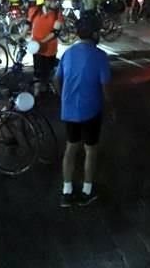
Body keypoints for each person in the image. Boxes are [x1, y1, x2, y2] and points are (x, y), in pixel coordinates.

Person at [54, 15, 111, 207]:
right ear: (95, 34)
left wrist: (63, 96)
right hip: (91, 110)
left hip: (69, 110)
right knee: (90, 150)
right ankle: (87, 190)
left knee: (70, 148)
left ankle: (67, 190)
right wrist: (112, 108)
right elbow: (106, 87)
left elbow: (56, 79)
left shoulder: (68, 53)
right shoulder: (100, 56)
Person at [31, 0, 63, 94]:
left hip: (50, 49)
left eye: (56, 1)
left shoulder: (58, 14)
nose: (56, 4)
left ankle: (54, 92)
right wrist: (22, 35)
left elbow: (55, 32)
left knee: (49, 71)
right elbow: (28, 23)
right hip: (36, 48)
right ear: (47, 1)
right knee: (37, 72)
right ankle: (36, 94)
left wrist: (41, 42)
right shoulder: (35, 10)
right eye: (54, 1)